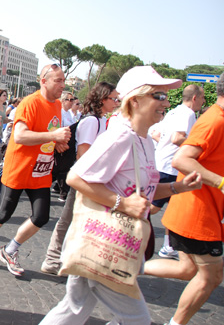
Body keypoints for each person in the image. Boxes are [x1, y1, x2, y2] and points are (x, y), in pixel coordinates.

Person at [40, 65, 201, 325]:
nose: (165, 102)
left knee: (73, 309)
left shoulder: (145, 139)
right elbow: (75, 177)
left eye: (165, 96)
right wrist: (123, 203)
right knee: (136, 319)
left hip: (111, 242)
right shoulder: (119, 137)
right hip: (105, 241)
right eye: (158, 96)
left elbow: (142, 190)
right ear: (135, 101)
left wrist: (177, 188)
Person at [0, 64, 71, 276]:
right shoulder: (30, 103)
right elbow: (20, 136)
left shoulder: (58, 105)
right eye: (58, 80)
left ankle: (10, 250)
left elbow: (47, 132)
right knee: (4, 213)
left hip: (41, 170)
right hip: (20, 167)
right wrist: (53, 136)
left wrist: (57, 142)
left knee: (41, 217)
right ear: (44, 81)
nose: (63, 84)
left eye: (63, 80)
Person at [143, 74, 224, 325]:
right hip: (197, 212)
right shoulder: (215, 120)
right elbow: (182, 159)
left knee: (187, 270)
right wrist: (221, 182)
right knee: (211, 275)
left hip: (196, 209)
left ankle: (123, 267)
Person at [40, 81, 119, 275]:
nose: (117, 102)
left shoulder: (100, 120)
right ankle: (52, 258)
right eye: (114, 98)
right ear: (103, 99)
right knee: (68, 219)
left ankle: (68, 258)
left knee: (79, 220)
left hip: (90, 178)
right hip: (84, 178)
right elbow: (83, 153)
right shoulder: (92, 121)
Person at [150, 84, 204, 260]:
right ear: (194, 98)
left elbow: (158, 134)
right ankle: (123, 224)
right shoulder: (187, 114)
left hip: (163, 162)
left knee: (172, 208)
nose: (203, 102)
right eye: (202, 98)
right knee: (152, 208)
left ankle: (168, 246)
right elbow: (177, 138)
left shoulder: (174, 111)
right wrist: (198, 149)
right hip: (170, 167)